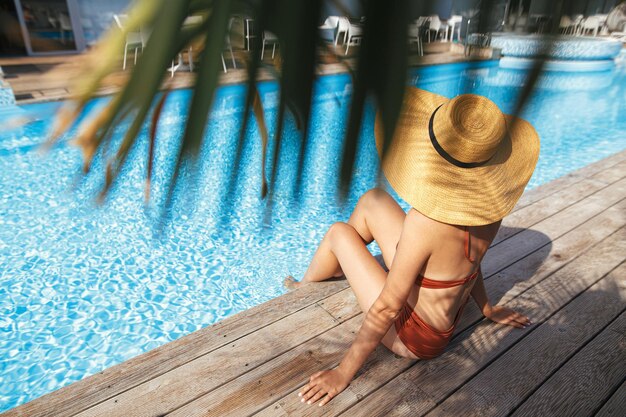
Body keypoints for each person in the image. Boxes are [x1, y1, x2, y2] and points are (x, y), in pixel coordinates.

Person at [283, 87, 540, 407]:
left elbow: (388, 307)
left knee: (339, 233)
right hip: (442, 315)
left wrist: (342, 374)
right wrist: (488, 308)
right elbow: (472, 267)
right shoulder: (490, 212)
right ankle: (339, 267)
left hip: (415, 337)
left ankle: (304, 289)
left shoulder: (424, 223)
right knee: (372, 200)